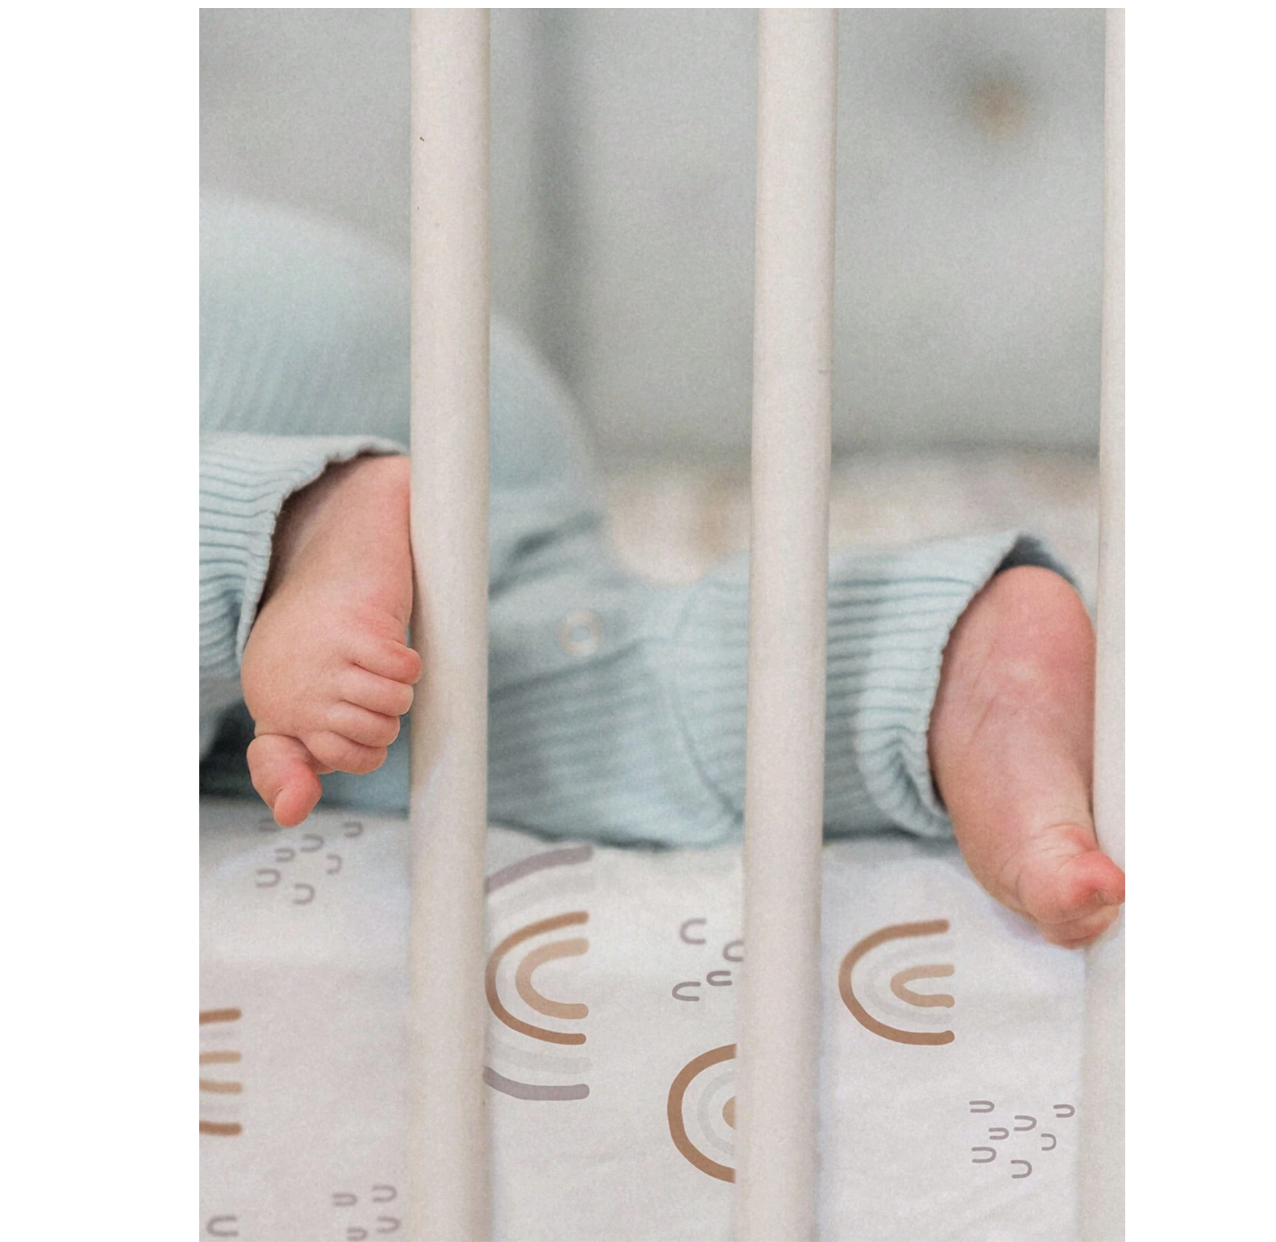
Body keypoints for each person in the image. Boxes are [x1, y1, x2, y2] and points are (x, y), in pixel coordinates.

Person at [201, 193, 1124, 949]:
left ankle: (299, 519)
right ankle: (938, 667)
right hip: (460, 409)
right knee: (486, 717)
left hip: (247, 352)